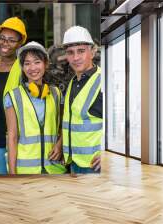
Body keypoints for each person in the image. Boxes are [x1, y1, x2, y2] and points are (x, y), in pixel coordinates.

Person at [5, 41, 66, 174]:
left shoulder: (56, 93)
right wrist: (12, 173)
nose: (32, 68)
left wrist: (60, 145)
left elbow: (63, 126)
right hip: (26, 170)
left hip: (53, 168)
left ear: (45, 64)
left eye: (37, 62)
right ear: (22, 67)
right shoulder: (13, 96)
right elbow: (12, 137)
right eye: (27, 63)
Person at [0, 17, 26, 174]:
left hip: (17, 142)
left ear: (20, 43)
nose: (5, 43)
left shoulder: (24, 69)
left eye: (11, 40)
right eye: (2, 38)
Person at [58, 26, 103, 174]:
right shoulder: (73, 82)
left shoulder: (103, 80)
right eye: (71, 52)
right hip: (74, 163)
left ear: (93, 51)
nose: (76, 58)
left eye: (81, 51)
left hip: (94, 165)